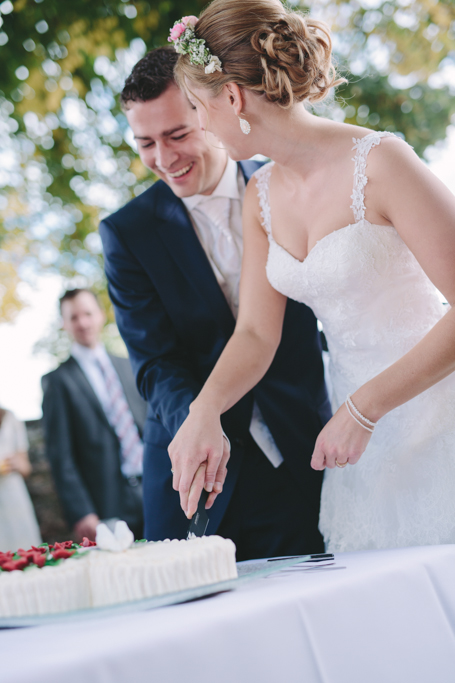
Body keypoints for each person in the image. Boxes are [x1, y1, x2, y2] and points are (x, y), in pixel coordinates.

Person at [168, 0, 455, 553]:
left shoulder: (382, 163)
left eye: (199, 108)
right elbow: (255, 334)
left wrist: (365, 408)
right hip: (357, 450)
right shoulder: (260, 198)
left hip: (431, 415)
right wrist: (204, 410)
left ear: (232, 97)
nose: (201, 125)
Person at [99, 47, 331, 561]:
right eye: (145, 143)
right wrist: (198, 422)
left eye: (177, 134)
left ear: (212, 110)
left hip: (305, 454)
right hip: (194, 483)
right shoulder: (126, 233)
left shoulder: (288, 187)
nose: (164, 158)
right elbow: (154, 362)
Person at [41, 289, 147, 541]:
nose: (83, 322)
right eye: (73, 317)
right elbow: (60, 455)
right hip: (107, 503)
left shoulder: (131, 365)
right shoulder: (58, 381)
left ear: (101, 315)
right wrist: (81, 511)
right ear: (64, 324)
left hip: (155, 487)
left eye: (88, 314)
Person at [0, 407, 42, 551]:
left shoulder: (10, 417)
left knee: (25, 549)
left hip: (13, 495)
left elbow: (26, 468)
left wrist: (18, 464)